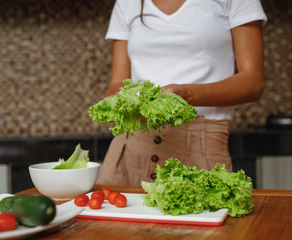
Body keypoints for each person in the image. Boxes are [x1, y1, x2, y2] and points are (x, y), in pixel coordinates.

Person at [98, 0, 267, 185]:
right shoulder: (126, 3)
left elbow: (253, 82)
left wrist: (185, 95)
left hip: (201, 147)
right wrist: (121, 103)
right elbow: (117, 84)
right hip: (131, 147)